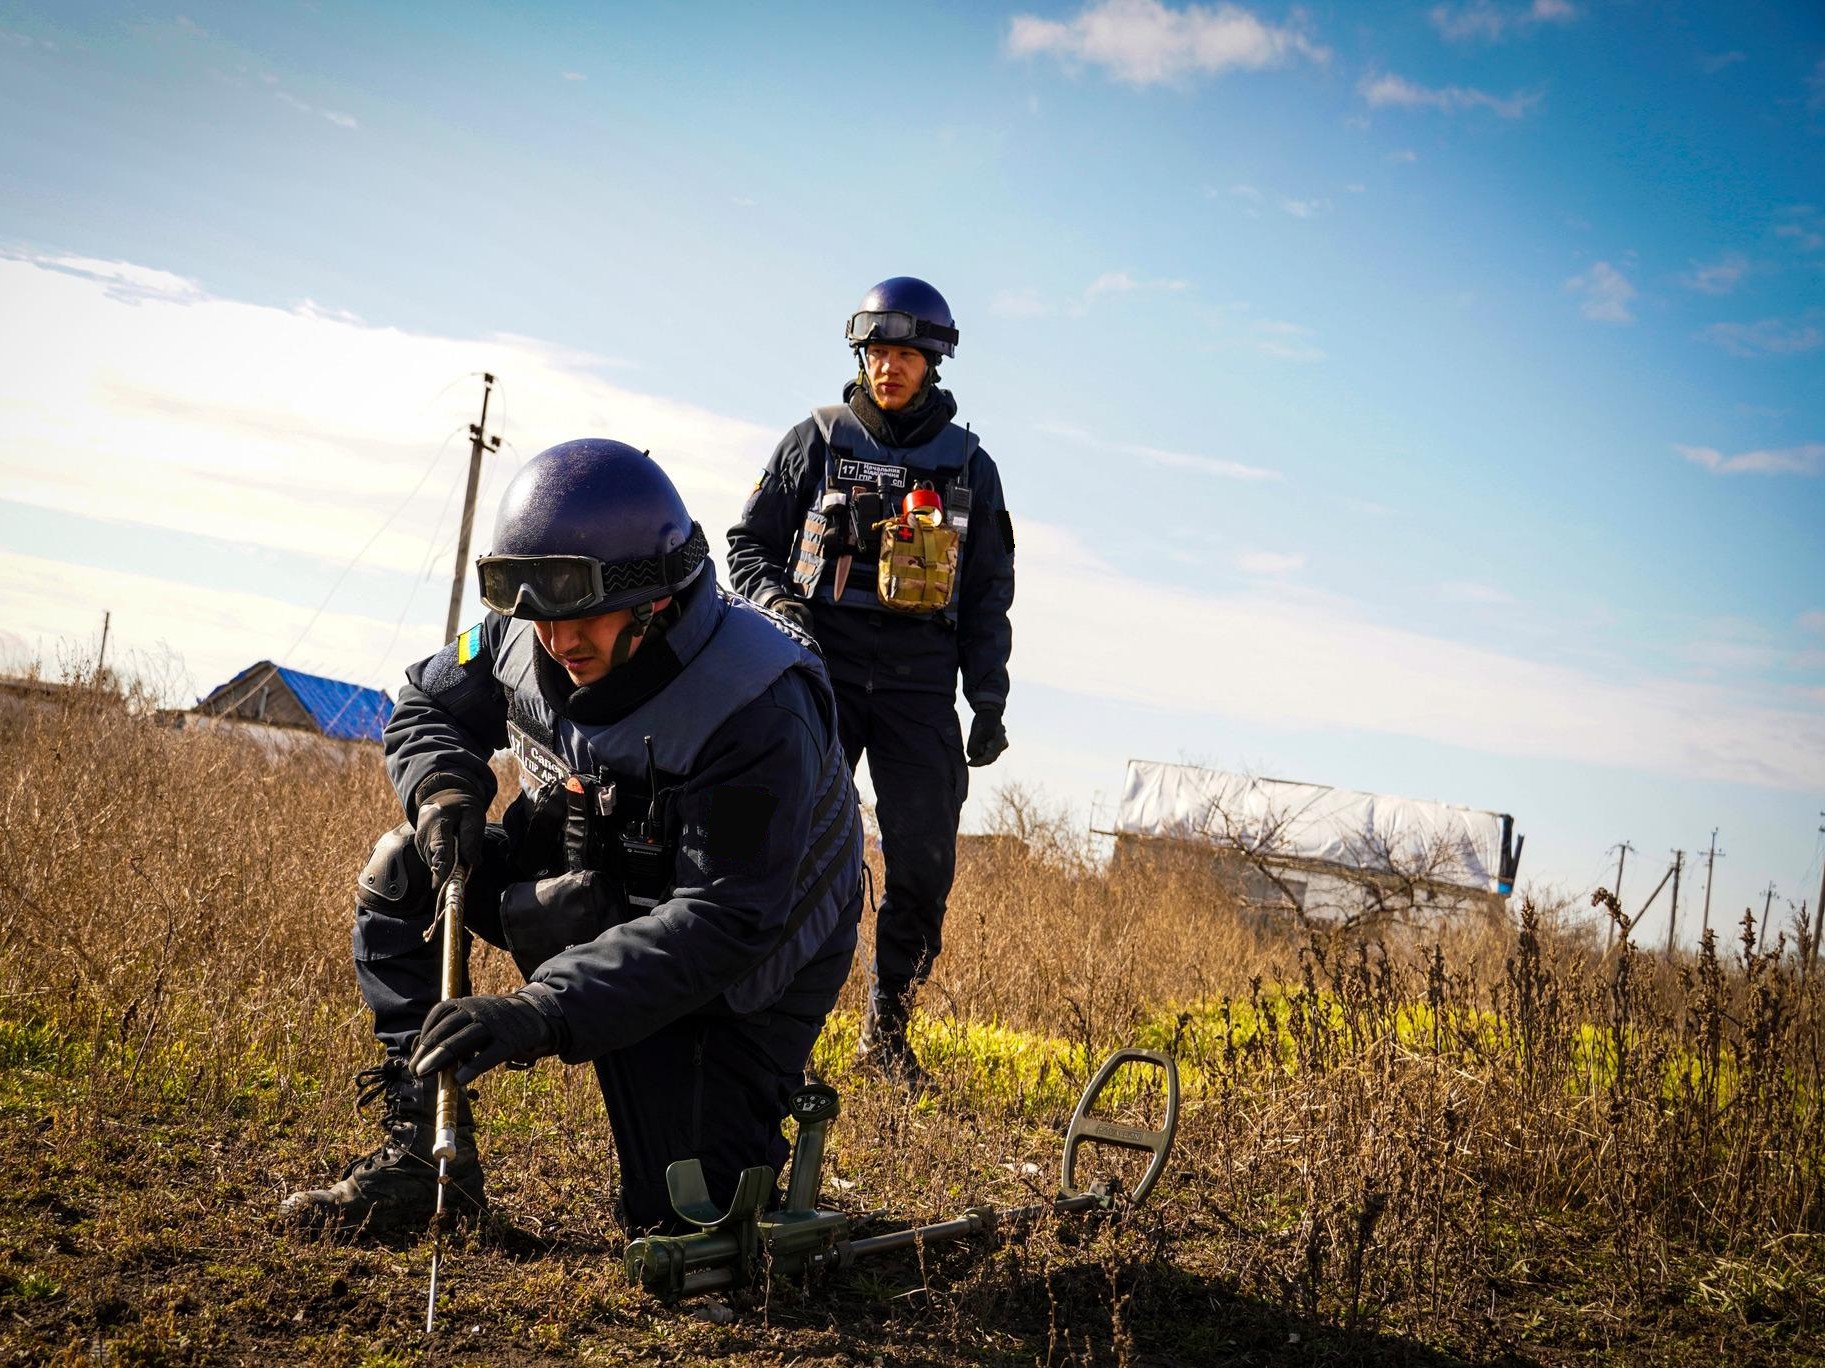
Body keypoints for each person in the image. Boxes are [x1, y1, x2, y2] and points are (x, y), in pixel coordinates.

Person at [284, 439, 862, 1234]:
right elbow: (425, 704)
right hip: (591, 871)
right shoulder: (535, 623)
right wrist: (444, 788)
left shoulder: (759, 703)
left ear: (653, 597)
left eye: (580, 621)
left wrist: (539, 1011)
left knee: (683, 1228)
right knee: (401, 867)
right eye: (540, 622)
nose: (558, 645)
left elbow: (726, 918)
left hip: (749, 949)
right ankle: (425, 1162)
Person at [726, 277, 1015, 1088]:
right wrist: (783, 606)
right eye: (878, 354)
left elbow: (989, 590)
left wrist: (986, 698)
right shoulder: (814, 439)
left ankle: (886, 1032)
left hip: (922, 684)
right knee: (785, 844)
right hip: (820, 672)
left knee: (923, 863)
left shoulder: (969, 466)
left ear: (932, 364)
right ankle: (760, 1017)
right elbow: (745, 548)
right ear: (863, 356)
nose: (889, 369)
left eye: (905, 356)